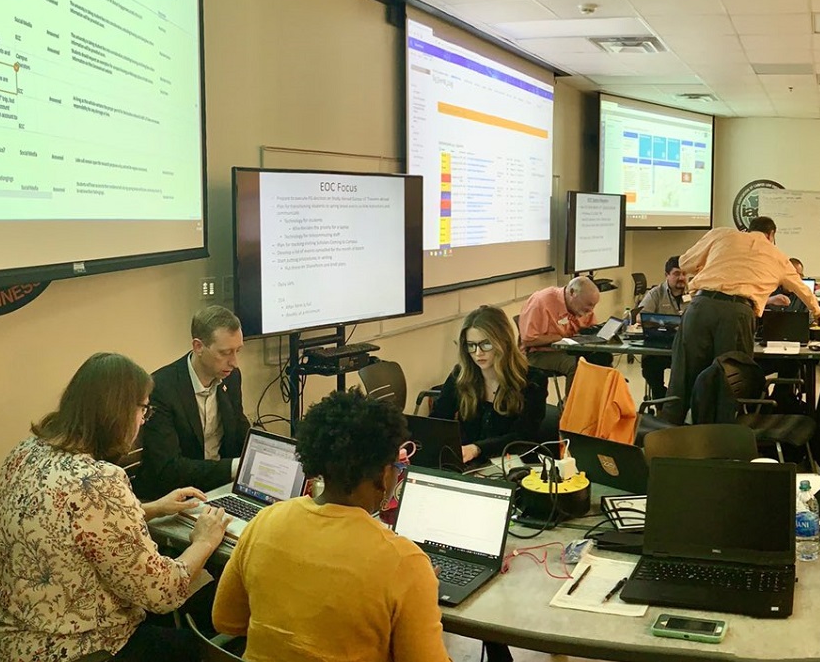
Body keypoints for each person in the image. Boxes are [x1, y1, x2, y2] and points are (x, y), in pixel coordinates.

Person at [0, 352, 229, 662]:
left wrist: (153, 508)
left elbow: (69, 523)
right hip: (73, 650)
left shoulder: (26, 451)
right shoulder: (99, 481)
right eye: (143, 409)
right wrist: (204, 540)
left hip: (0, 641)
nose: (143, 419)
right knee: (196, 644)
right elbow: (163, 591)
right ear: (118, 413)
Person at [213, 390, 453, 662]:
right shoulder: (405, 563)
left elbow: (226, 620)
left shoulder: (266, 520)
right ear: (384, 474)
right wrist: (424, 596)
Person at [665, 217, 820, 423]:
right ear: (771, 235)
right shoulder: (777, 256)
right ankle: (722, 436)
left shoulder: (721, 234)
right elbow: (802, 289)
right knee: (730, 382)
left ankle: (668, 432)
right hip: (737, 314)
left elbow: (685, 263)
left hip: (700, 307)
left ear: (749, 229)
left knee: (683, 376)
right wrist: (819, 313)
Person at [136, 305, 249, 502]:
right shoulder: (161, 388)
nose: (234, 362)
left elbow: (239, 430)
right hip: (173, 496)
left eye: (237, 351)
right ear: (198, 347)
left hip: (221, 488)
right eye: (225, 353)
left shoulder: (231, 377)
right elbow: (168, 468)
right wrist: (234, 467)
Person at [432, 306, 550, 464]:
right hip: (468, 463)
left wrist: (477, 448)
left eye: (486, 344)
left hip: (513, 464)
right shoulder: (460, 375)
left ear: (503, 342)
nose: (478, 353)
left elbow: (523, 436)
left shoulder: (532, 380)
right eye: (471, 345)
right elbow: (438, 420)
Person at [516, 276, 603, 377]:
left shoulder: (583, 307)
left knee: (602, 358)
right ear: (572, 293)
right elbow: (527, 340)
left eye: (594, 306)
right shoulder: (541, 302)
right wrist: (557, 338)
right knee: (576, 365)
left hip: (571, 348)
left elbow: (592, 328)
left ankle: (599, 388)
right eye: (589, 304)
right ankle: (576, 388)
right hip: (539, 353)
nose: (591, 310)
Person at [638, 255, 688, 397]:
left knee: (692, 370)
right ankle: (661, 400)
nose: (681, 278)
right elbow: (640, 316)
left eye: (684, 274)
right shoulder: (656, 293)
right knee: (650, 367)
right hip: (659, 345)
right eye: (676, 274)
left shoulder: (694, 292)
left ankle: (679, 401)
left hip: (685, 346)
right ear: (667, 275)